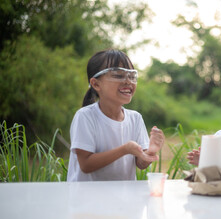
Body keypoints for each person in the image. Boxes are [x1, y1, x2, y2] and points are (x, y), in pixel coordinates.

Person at [67, 49, 165, 181]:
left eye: (132, 76)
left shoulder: (135, 118)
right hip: (88, 199)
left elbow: (141, 164)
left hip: (123, 198)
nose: (128, 81)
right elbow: (86, 164)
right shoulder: (85, 116)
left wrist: (151, 152)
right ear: (96, 84)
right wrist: (125, 149)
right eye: (118, 75)